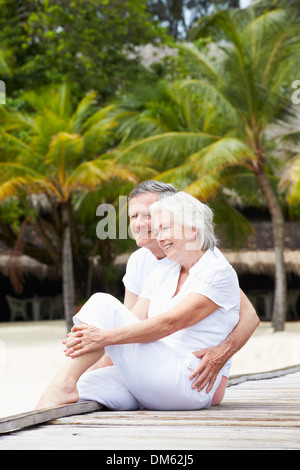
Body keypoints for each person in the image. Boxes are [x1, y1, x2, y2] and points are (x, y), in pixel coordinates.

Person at [36, 192, 247, 411]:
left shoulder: (217, 271)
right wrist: (91, 340)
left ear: (193, 228)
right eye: (157, 231)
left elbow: (171, 323)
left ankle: (64, 384)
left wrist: (103, 338)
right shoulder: (166, 270)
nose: (160, 238)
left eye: (165, 228)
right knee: (79, 387)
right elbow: (134, 321)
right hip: (153, 378)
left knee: (103, 303)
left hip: (189, 381)